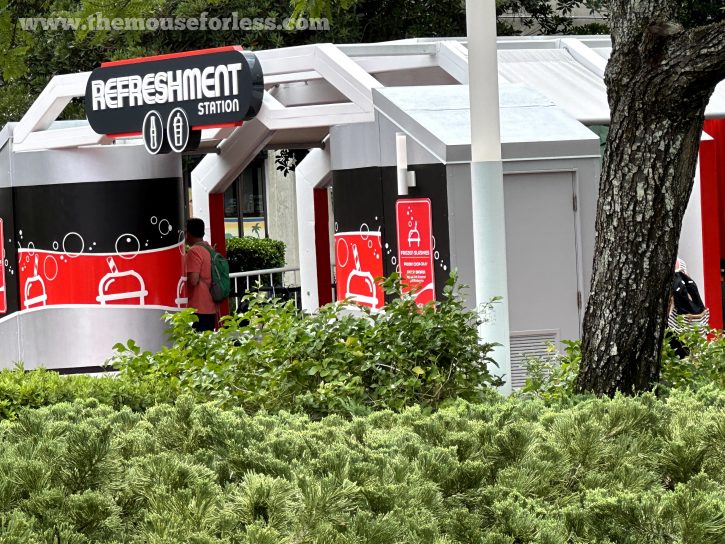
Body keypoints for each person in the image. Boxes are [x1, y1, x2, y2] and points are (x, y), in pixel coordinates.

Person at [185, 218, 218, 332]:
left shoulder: (194, 251)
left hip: (198, 308)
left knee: (196, 345)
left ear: (188, 233)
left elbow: (193, 280)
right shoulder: (209, 248)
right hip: (211, 306)